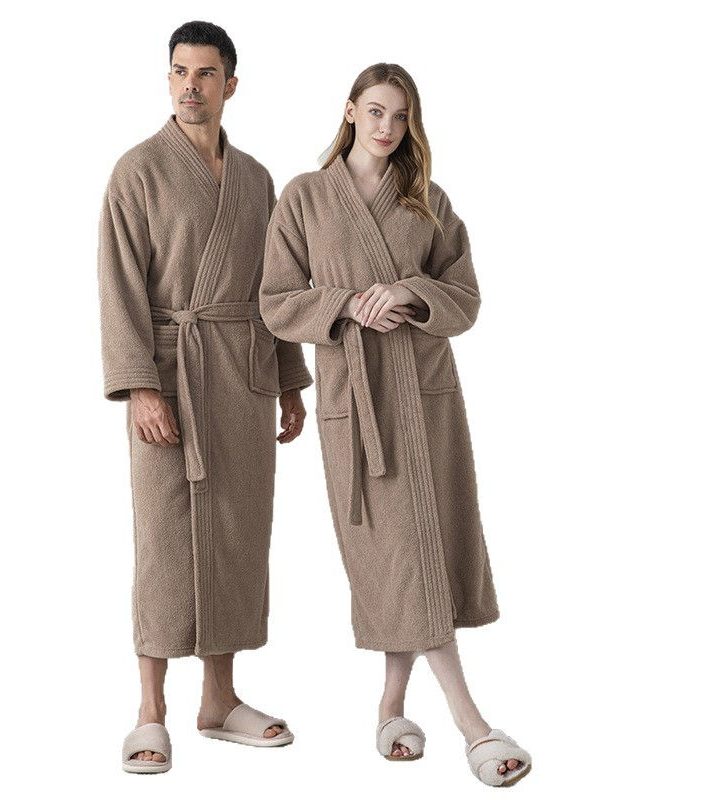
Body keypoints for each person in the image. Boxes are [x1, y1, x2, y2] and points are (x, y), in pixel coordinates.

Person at [259, 63, 532, 787]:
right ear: (350, 111)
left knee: (421, 548)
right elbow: (276, 300)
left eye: (400, 116)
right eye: (375, 111)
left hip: (424, 398)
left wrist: (407, 293)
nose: (387, 127)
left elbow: (465, 295)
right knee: (396, 553)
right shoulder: (304, 197)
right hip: (357, 403)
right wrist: (347, 304)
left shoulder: (427, 200)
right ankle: (473, 724)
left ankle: (389, 707)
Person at [97, 21, 312, 773]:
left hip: (244, 374)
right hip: (171, 374)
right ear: (168, 80)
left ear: (231, 84)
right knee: (163, 536)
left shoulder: (256, 178)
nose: (191, 86)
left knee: (237, 532)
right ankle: (150, 711)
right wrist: (140, 387)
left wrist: (289, 378)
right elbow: (119, 286)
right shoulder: (137, 172)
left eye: (206, 73)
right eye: (180, 72)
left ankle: (219, 700)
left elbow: (276, 288)